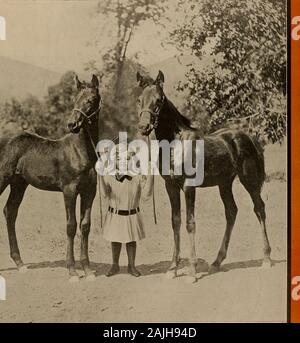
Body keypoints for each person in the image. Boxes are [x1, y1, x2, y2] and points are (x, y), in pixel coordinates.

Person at [96, 143, 154, 277]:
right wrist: (101, 176)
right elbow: (104, 195)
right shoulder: (109, 176)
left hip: (131, 213)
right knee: (115, 240)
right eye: (119, 159)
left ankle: (131, 266)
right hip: (115, 213)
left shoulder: (138, 176)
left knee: (131, 240)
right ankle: (114, 265)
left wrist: (150, 175)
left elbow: (146, 197)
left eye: (127, 159)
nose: (123, 162)